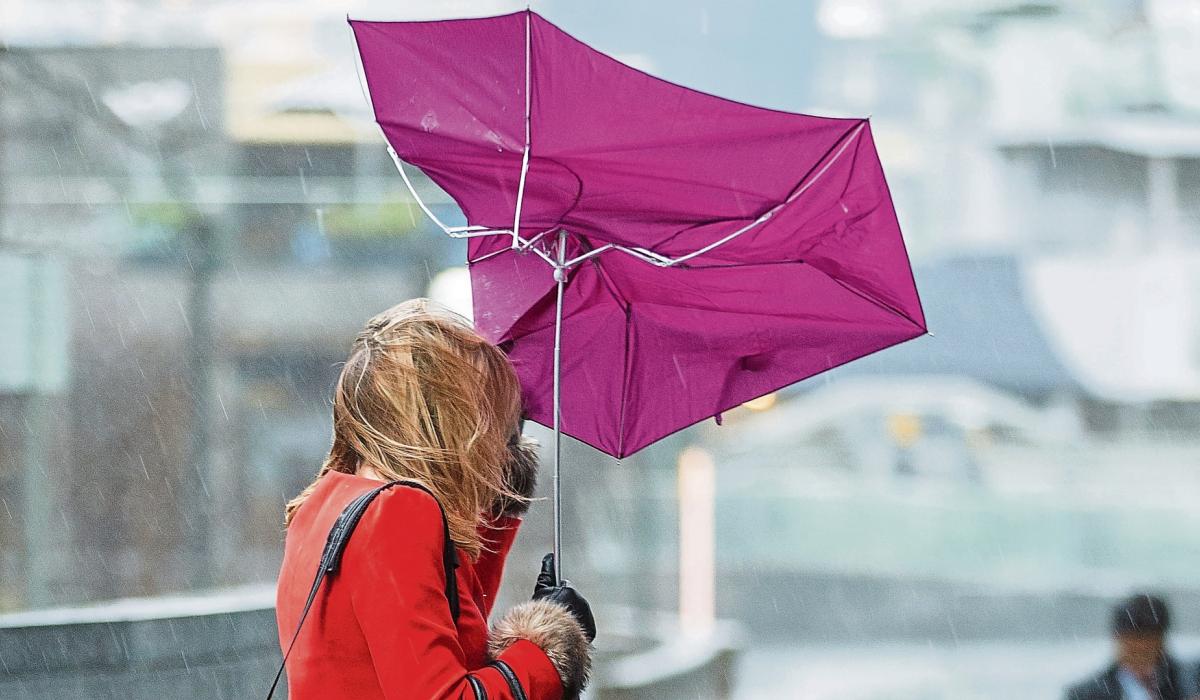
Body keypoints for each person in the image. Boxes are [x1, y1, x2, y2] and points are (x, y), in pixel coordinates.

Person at [275, 299, 595, 699]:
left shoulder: (325, 502)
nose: (493, 430)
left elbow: (454, 628)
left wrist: (496, 501)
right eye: (485, 410)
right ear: (445, 415)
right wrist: (545, 653)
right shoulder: (397, 513)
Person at [1065, 593, 1198, 700]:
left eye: (1148, 644)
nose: (1141, 651)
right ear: (1117, 638)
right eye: (1134, 647)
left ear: (1161, 641)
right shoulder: (1085, 694)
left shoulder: (1191, 680)